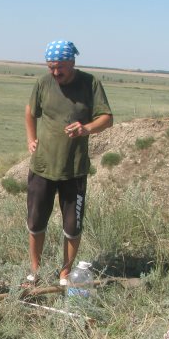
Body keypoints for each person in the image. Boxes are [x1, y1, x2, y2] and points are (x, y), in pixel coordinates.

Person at [24, 40, 113, 285]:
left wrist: (86, 128)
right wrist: (31, 139)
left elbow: (107, 118)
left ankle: (65, 272)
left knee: (72, 226)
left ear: (72, 62)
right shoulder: (43, 83)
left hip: (74, 169)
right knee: (35, 221)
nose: (55, 72)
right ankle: (35, 271)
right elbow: (30, 111)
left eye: (59, 67)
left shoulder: (90, 83)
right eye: (51, 67)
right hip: (42, 166)